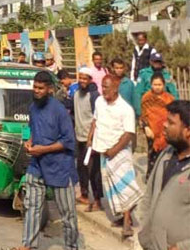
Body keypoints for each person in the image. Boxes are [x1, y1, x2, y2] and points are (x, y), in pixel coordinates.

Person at [19, 70, 78, 250]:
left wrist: (43, 149)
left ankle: (72, 246)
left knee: (68, 214)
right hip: (37, 166)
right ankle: (28, 245)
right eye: (35, 87)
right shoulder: (33, 107)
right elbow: (33, 131)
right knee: (32, 208)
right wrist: (29, 143)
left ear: (50, 89)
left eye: (40, 88)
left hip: (59, 168)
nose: (36, 91)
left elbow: (68, 141)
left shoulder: (59, 111)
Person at [88, 74, 141, 239]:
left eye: (107, 87)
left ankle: (126, 224)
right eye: (102, 86)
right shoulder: (99, 102)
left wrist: (114, 150)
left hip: (120, 152)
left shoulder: (125, 109)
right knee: (112, 188)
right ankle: (124, 217)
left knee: (125, 187)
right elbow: (95, 121)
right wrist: (90, 138)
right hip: (103, 150)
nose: (104, 90)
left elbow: (128, 134)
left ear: (116, 87)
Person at [137, 100, 190, 250]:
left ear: (188, 131)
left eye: (171, 123)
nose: (164, 125)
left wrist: (183, 246)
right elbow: (149, 194)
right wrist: (144, 231)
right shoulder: (166, 154)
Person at [71, 68, 102, 211]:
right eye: (80, 78)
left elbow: (98, 118)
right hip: (79, 137)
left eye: (85, 79)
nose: (82, 81)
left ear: (90, 80)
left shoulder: (94, 96)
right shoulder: (76, 94)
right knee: (81, 168)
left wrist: (93, 137)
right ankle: (84, 194)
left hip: (92, 139)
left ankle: (97, 199)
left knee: (93, 170)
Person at [141, 73, 175, 179]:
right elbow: (143, 115)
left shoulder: (169, 99)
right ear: (151, 85)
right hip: (151, 130)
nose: (157, 87)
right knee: (152, 156)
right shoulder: (146, 98)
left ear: (164, 85)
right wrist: (146, 127)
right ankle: (151, 178)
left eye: (159, 84)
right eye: (155, 84)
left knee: (166, 155)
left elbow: (173, 115)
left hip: (166, 131)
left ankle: (164, 178)